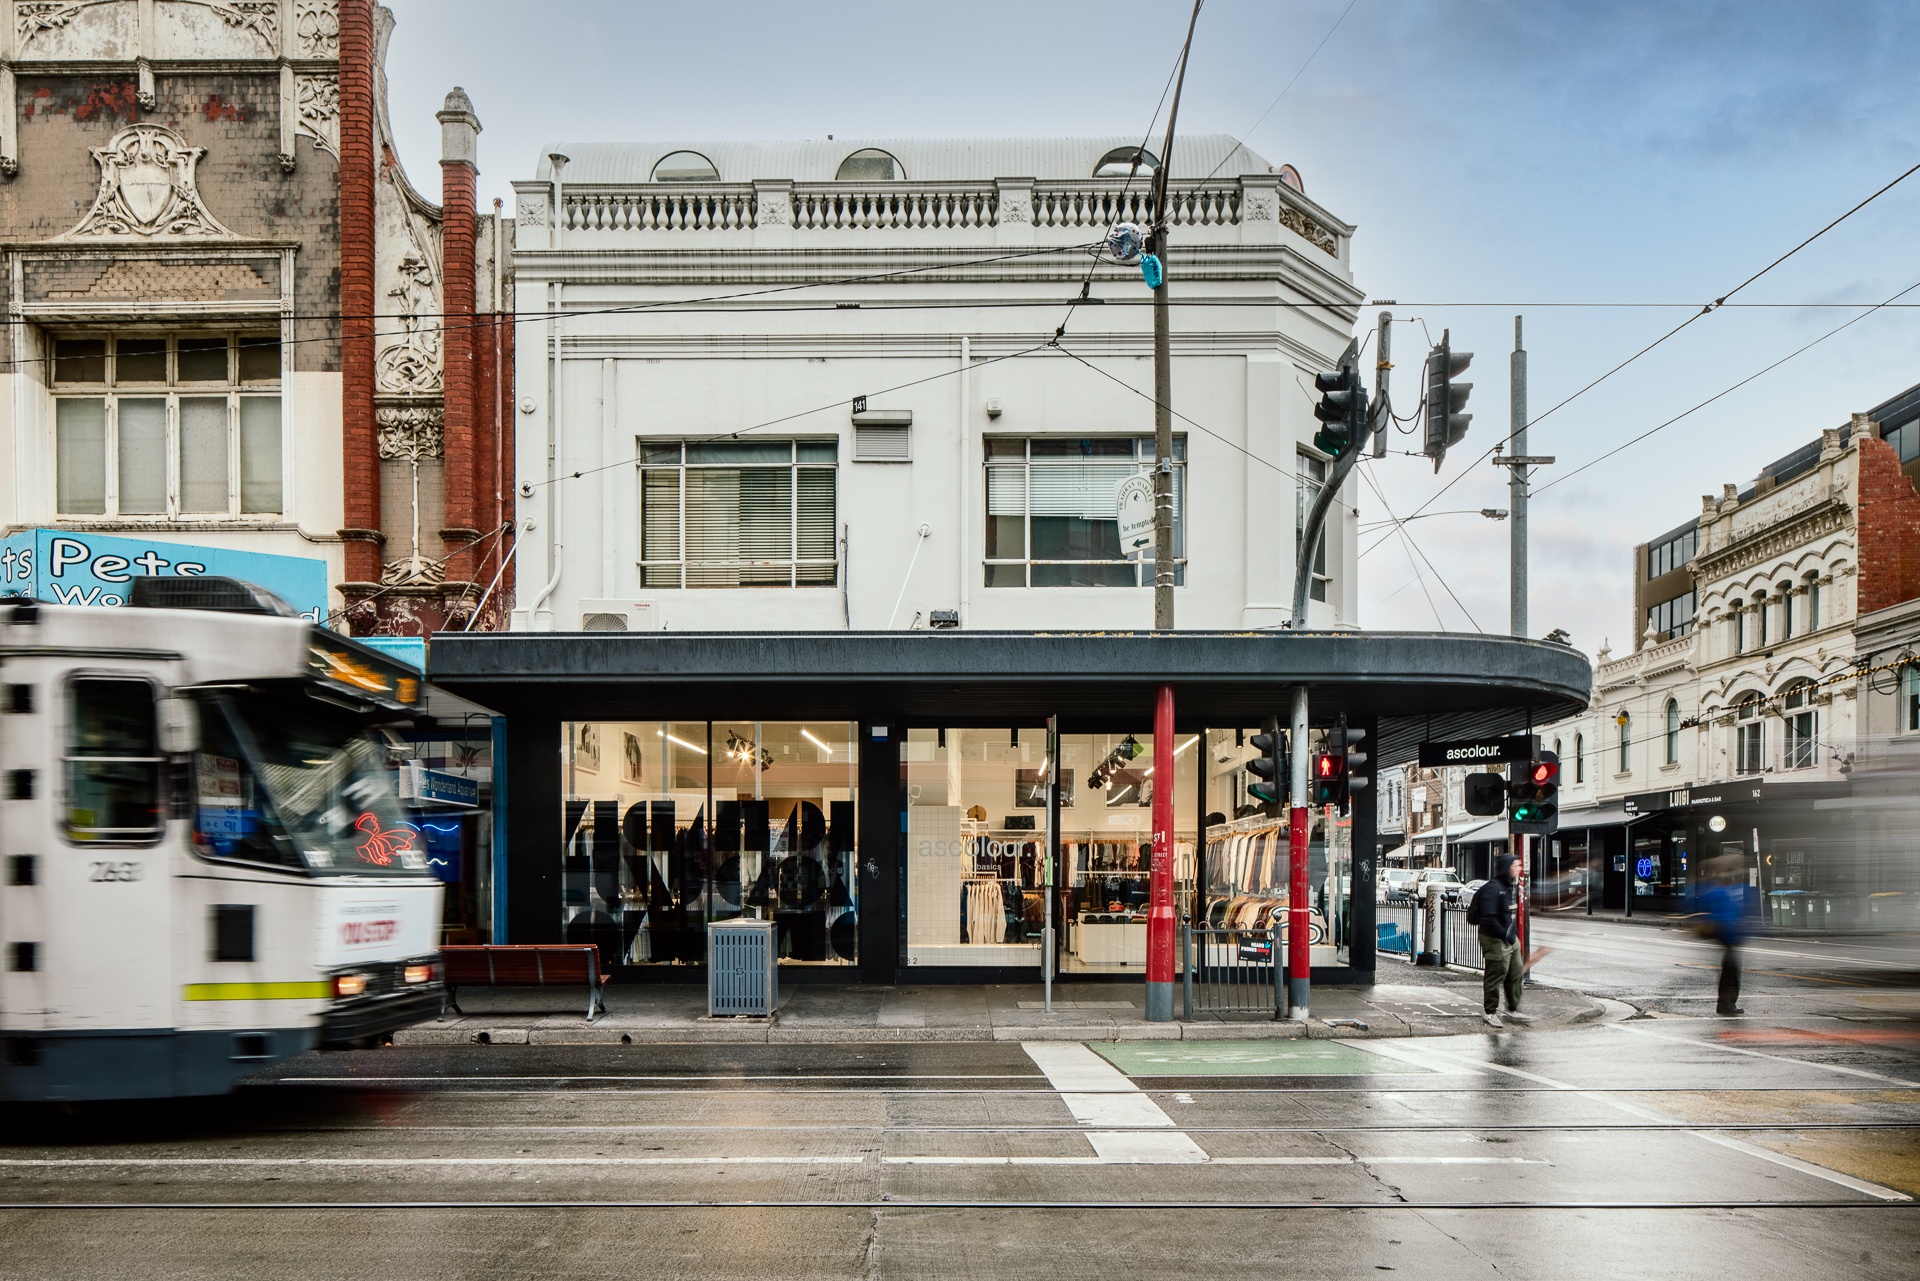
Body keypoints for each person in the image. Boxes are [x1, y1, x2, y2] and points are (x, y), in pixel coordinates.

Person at [1466, 853, 1532, 1028]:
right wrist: (1505, 934)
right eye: (1516, 865)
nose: (1519, 868)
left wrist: (1513, 935)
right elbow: (1488, 919)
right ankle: (1490, 1012)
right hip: (1495, 939)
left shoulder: (1509, 886)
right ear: (1506, 867)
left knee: (1516, 973)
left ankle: (1512, 1008)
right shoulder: (1493, 889)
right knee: (1496, 975)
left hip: (1509, 939)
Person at [1696, 856, 1749, 1016]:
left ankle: (1726, 1003)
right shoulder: (1718, 889)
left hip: (1728, 933)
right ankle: (1726, 1004)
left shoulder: (1720, 888)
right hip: (1726, 933)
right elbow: (1724, 913)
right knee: (1730, 970)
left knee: (1730, 968)